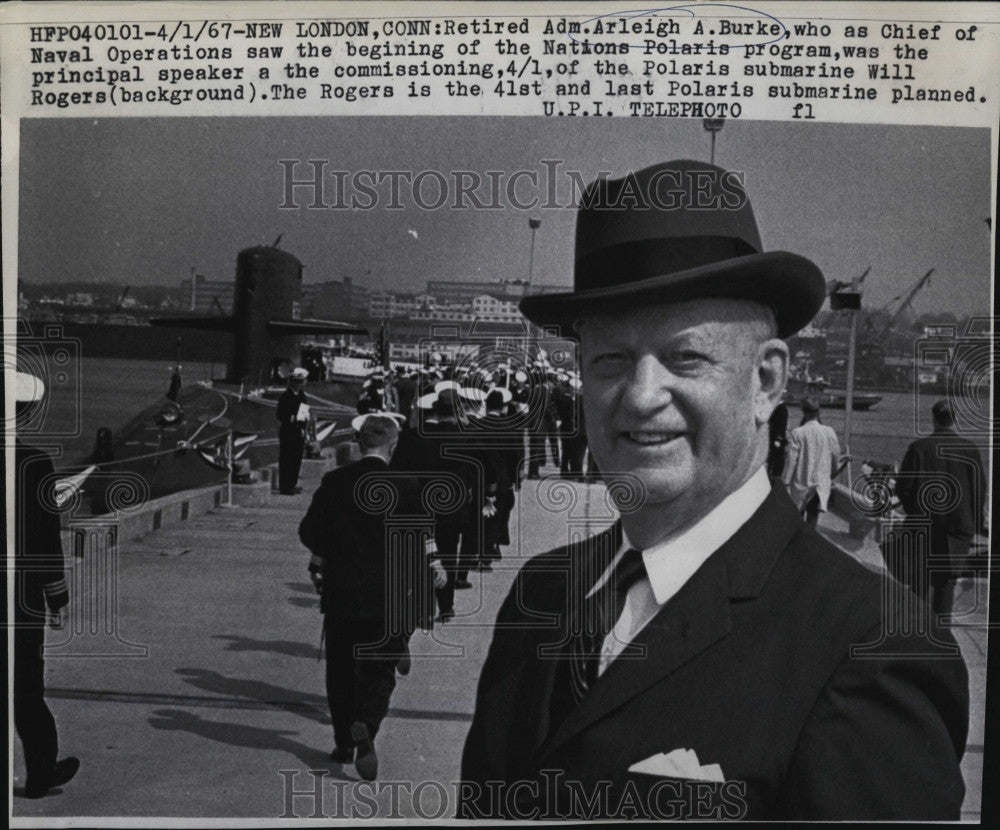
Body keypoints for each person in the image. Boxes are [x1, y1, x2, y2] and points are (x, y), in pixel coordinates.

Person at [460, 160, 968, 820]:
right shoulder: (542, 591)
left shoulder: (874, 649)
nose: (641, 398)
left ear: (766, 381)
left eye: (685, 357)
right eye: (610, 359)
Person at [298, 413, 444, 781]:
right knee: (380, 670)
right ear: (393, 447)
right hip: (392, 597)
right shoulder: (409, 486)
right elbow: (423, 541)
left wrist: (328, 554)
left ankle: (344, 742)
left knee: (342, 669)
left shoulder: (334, 482)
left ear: (359, 444)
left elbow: (311, 532)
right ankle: (367, 725)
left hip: (343, 592)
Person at [13, 372, 81, 799]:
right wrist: (56, 594)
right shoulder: (34, 462)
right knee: (26, 689)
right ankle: (40, 771)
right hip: (18, 597)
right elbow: (43, 535)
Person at [895, 399, 987, 616]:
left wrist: (914, 510)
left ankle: (918, 631)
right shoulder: (970, 449)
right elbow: (979, 490)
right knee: (946, 583)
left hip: (924, 526)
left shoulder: (918, 448)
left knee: (920, 580)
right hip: (958, 530)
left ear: (934, 419)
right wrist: (974, 524)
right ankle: (941, 634)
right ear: (954, 420)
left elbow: (903, 487)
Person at [781, 396, 845, 526]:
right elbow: (835, 457)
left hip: (801, 485)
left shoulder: (797, 433)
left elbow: (791, 462)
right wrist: (832, 472)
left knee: (797, 521)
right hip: (820, 486)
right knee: (812, 521)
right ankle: (808, 542)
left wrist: (785, 482)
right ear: (819, 413)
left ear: (804, 412)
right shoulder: (829, 432)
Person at [276, 368, 309, 494]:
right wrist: (289, 417)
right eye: (297, 382)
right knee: (286, 459)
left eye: (301, 382)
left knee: (296, 459)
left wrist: (306, 420)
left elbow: (304, 410)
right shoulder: (285, 396)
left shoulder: (302, 396)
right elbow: (279, 414)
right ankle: (285, 486)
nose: (300, 384)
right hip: (288, 431)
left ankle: (293, 483)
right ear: (293, 382)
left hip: (298, 432)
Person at [766, 397, 789, 478]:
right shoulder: (781, 408)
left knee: (776, 461)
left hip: (776, 439)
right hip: (775, 438)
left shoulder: (781, 408)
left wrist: (778, 439)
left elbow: (782, 427)